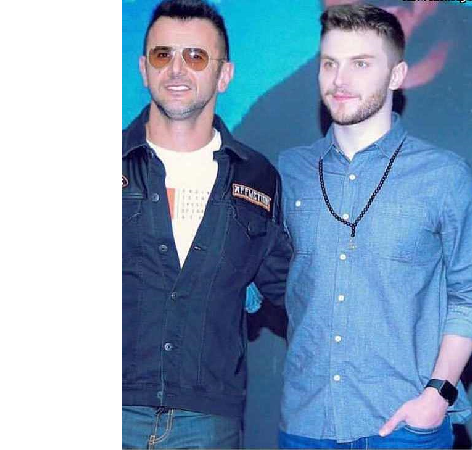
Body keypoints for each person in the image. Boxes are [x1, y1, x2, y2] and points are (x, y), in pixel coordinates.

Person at [277, 4, 472, 449]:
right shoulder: (288, 172)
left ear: (396, 75)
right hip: (306, 426)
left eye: (361, 64)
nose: (339, 80)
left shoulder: (443, 175)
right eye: (329, 64)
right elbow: (268, 277)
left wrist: (438, 394)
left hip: (405, 426)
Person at [122, 0, 292, 448]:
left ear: (224, 74)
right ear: (143, 69)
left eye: (196, 57)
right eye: (163, 55)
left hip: (208, 423)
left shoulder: (258, 177)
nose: (176, 69)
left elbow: (294, 291)